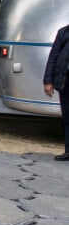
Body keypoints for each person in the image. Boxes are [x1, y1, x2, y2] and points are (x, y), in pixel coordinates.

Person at [44, 24, 69, 160]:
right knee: (67, 117)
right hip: (65, 81)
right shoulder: (63, 32)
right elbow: (53, 57)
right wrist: (48, 81)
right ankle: (68, 151)